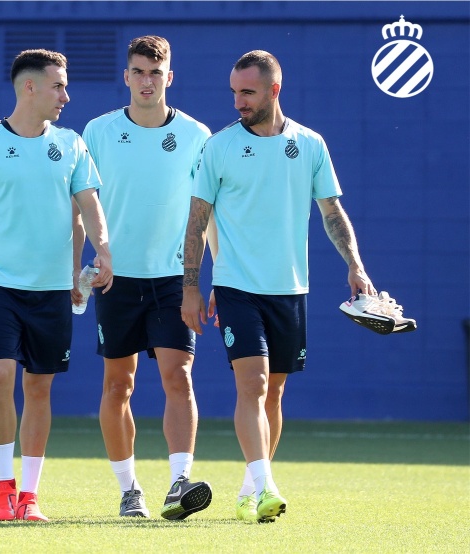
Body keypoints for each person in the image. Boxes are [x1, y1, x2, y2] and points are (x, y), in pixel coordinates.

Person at [181, 50, 377, 523]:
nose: (238, 102)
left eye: (247, 92)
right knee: (253, 384)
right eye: (234, 92)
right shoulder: (219, 147)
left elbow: (332, 212)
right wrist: (192, 286)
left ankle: (250, 489)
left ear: (274, 90)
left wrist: (355, 265)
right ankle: (268, 486)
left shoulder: (310, 144)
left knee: (274, 393)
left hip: (290, 289)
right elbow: (196, 222)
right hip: (236, 287)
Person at [0, 49, 113, 522]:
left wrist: (102, 253)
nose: (66, 96)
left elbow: (88, 206)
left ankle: (29, 496)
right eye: (58, 86)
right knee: (0, 376)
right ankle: (3, 489)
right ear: (29, 87)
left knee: (39, 387)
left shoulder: (72, 144)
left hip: (53, 290)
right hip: (0, 286)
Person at [77, 35, 213, 520]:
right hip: (115, 280)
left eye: (156, 73)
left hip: (173, 279)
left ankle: (179, 483)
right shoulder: (98, 131)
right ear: (127, 76)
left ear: (169, 77)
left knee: (179, 377)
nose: (147, 81)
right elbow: (80, 205)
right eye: (139, 72)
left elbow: (207, 214)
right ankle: (129, 490)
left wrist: (205, 280)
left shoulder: (197, 135)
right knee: (119, 386)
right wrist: (77, 267)